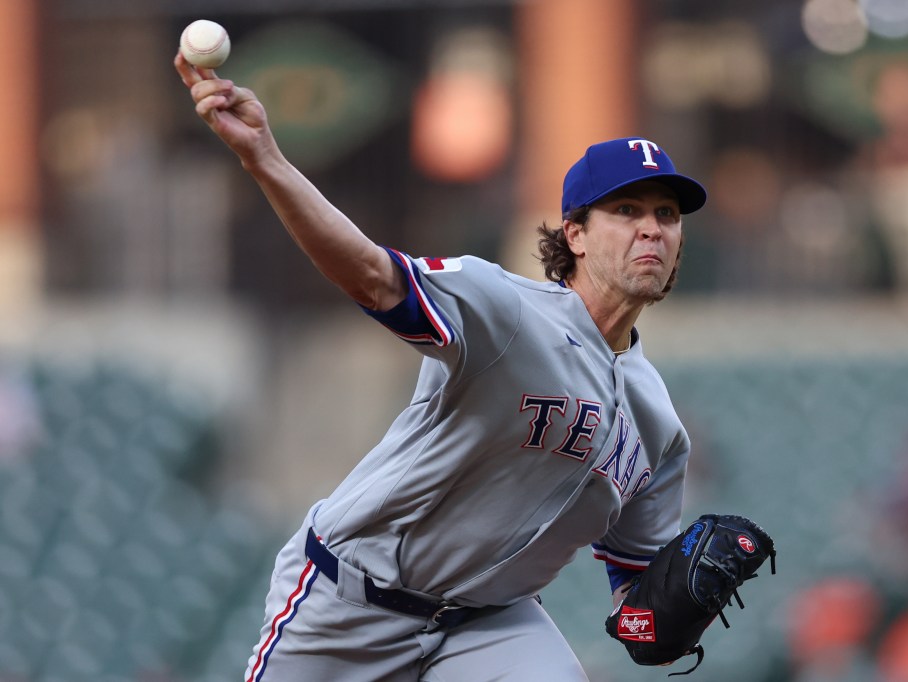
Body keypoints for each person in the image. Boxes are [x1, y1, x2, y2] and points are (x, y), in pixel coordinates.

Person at [175, 49, 707, 681]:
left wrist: (669, 620)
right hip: (351, 602)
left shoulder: (659, 425)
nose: (652, 229)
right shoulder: (506, 311)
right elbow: (374, 276)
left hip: (490, 625)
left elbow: (636, 605)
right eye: (627, 211)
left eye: (666, 215)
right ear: (576, 234)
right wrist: (264, 158)